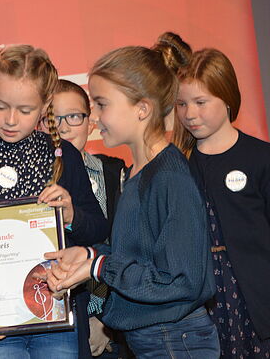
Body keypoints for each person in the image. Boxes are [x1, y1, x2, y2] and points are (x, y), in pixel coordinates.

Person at [46, 41, 219, 358]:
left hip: (174, 339)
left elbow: (178, 280)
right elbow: (140, 254)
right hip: (155, 339)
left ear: (142, 108)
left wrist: (98, 267)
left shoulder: (169, 178)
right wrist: (87, 254)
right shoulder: (137, 173)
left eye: (102, 105)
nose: (94, 118)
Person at [0, 44, 109, 359]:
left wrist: (72, 213)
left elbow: (98, 231)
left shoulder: (64, 156)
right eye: (0, 105)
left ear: (45, 103)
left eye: (24, 110)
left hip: (58, 315)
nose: (9, 119)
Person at [173, 48, 270, 358]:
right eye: (182, 104)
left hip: (261, 312)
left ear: (228, 98)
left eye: (201, 102)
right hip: (199, 314)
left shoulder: (264, 158)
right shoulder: (177, 166)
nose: (190, 114)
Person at [44, 79, 128, 358]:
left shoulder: (116, 174)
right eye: (53, 118)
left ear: (91, 122)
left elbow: (126, 247)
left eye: (74, 116)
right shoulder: (34, 181)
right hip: (58, 318)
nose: (64, 126)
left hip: (114, 319)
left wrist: (103, 321)